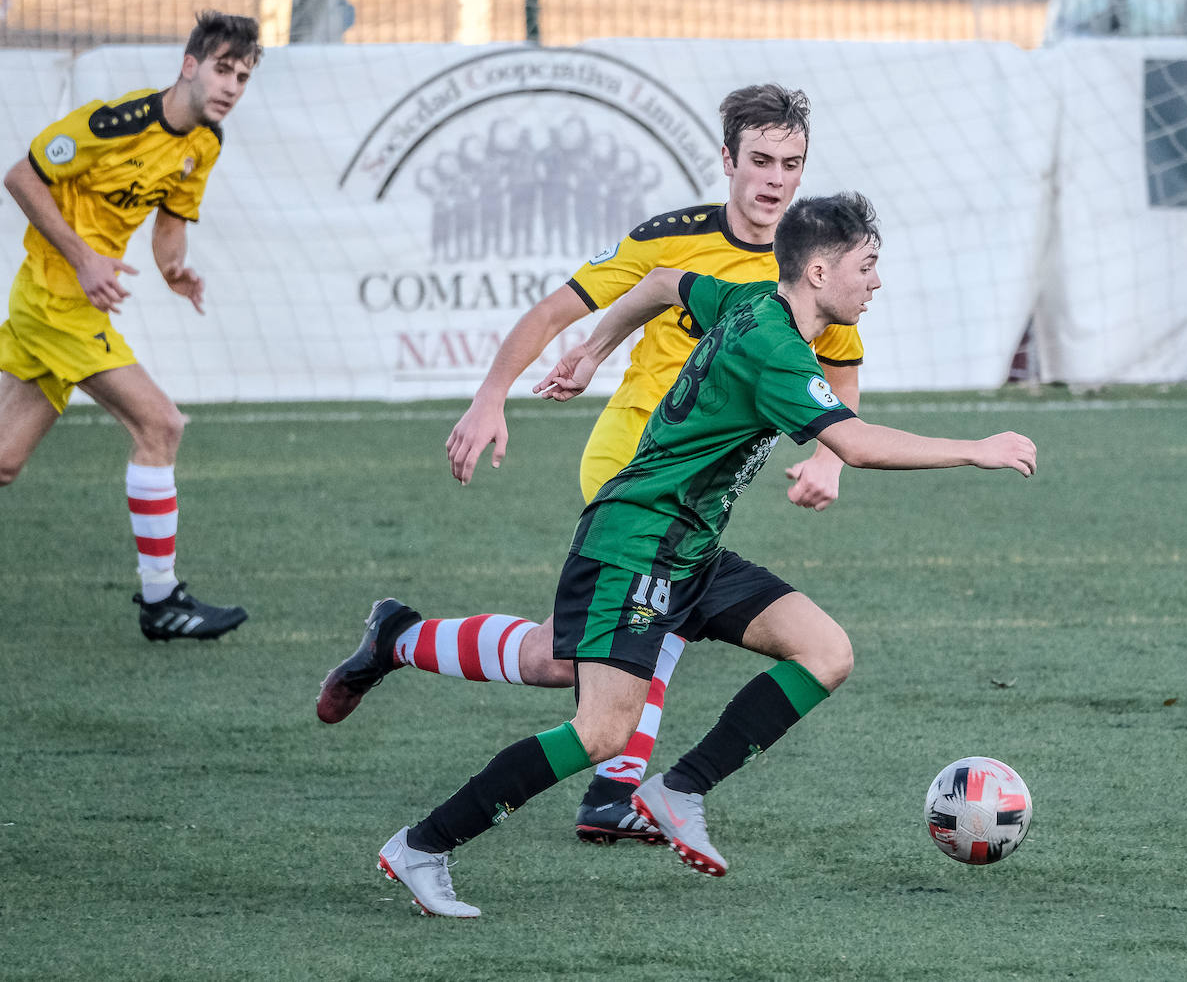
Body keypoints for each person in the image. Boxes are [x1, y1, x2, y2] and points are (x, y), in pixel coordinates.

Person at [366, 191, 1037, 917]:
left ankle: (679, 788)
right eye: (866, 266)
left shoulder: (750, 299)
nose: (876, 281)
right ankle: (423, 845)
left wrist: (595, 348)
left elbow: (660, 285)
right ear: (817, 270)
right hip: (636, 543)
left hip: (689, 548)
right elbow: (855, 443)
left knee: (825, 652)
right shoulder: (774, 348)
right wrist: (977, 449)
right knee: (602, 731)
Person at [318, 85, 865, 846]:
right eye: (761, 161)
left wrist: (832, 461)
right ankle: (618, 789)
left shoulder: (811, 266)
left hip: (700, 479)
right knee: (654, 605)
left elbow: (840, 368)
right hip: (633, 466)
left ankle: (400, 639)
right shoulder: (673, 239)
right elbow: (559, 311)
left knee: (556, 657)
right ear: (727, 160)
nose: (775, 180)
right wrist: (495, 395)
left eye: (792, 164)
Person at [0, 11, 261, 641]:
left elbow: (170, 220)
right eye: (223, 69)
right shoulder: (111, 123)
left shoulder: (204, 143)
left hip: (76, 306)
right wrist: (85, 257)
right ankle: (162, 599)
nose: (231, 85)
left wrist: (175, 271)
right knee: (160, 422)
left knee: (4, 460)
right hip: (54, 300)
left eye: (244, 77)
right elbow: (21, 176)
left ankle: (162, 600)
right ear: (190, 65)